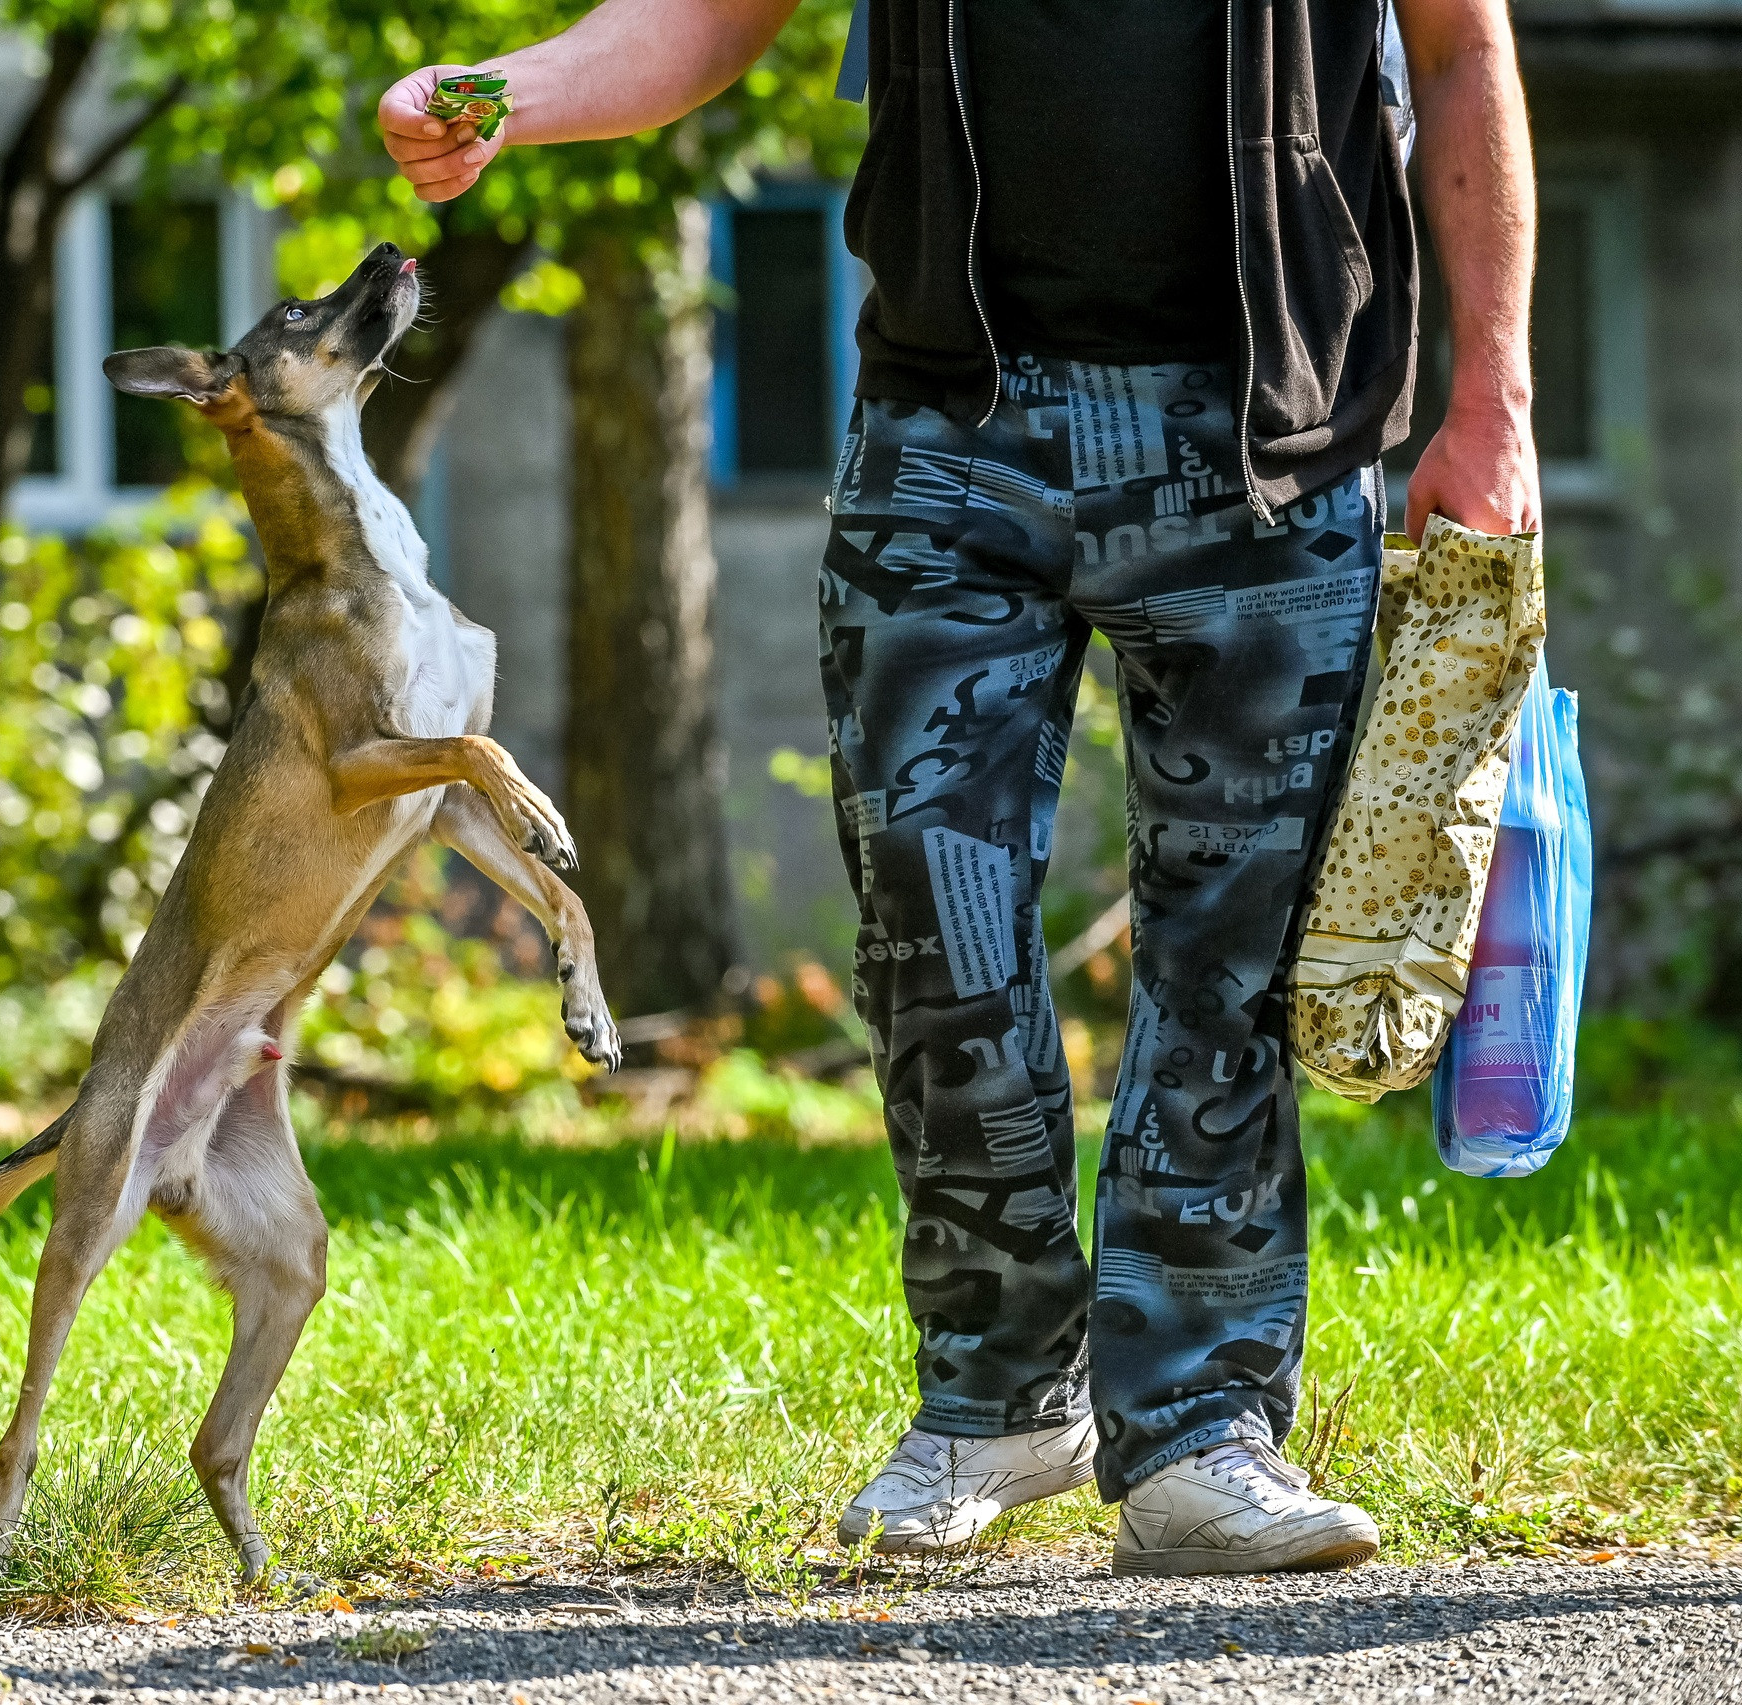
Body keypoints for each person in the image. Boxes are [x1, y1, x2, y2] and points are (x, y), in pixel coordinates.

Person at [380, 0, 1538, 1576]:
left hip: (1271, 436)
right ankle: (999, 1397)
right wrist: (501, 92)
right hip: (951, 432)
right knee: (932, 925)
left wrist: (1492, 402)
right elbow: (706, 15)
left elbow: (1464, 51)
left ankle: (1199, 1429)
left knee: (1230, 961)